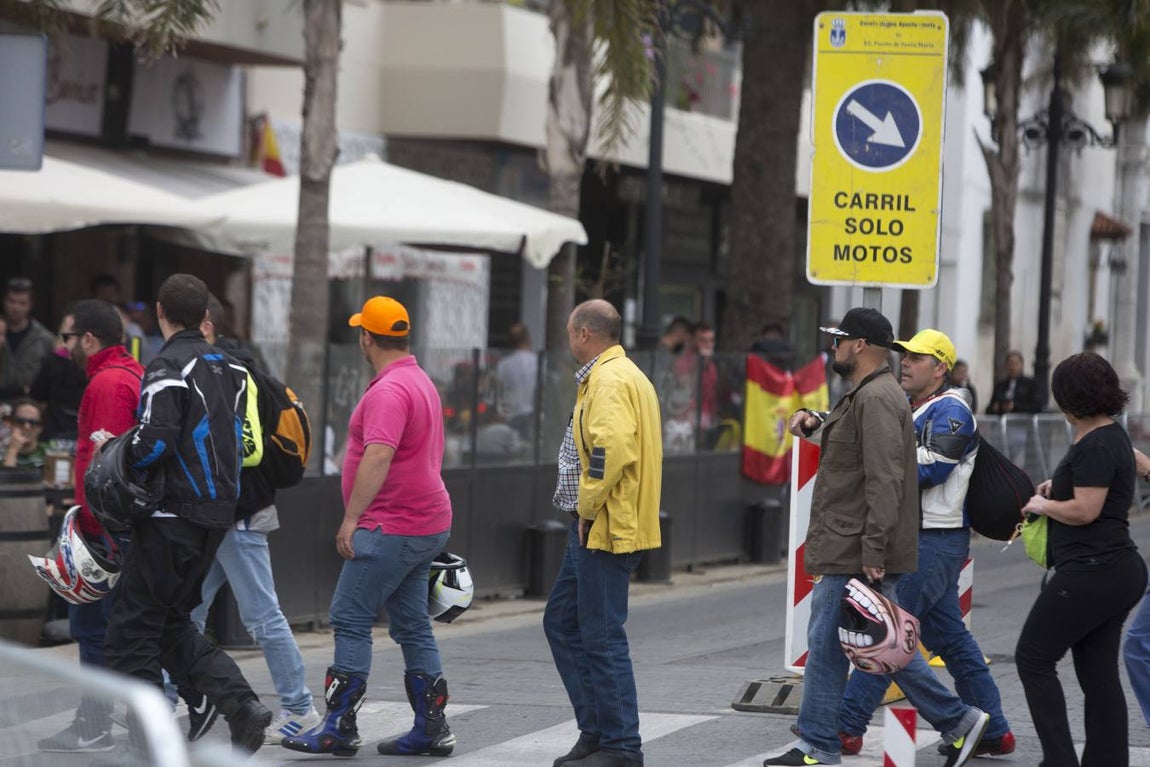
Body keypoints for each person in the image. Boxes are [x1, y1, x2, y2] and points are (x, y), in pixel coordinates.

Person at [767, 308, 988, 767]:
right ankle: (960, 723)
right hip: (850, 542)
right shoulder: (868, 395)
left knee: (847, 645)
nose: (834, 348)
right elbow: (858, 448)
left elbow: (887, 478)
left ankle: (818, 745)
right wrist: (815, 420)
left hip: (858, 547)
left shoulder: (878, 398)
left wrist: (875, 550)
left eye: (839, 340)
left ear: (860, 345)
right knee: (876, 644)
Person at [101, 274, 272, 760]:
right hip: (217, 516)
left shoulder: (167, 365)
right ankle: (241, 705)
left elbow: (155, 441)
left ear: (160, 311)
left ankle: (149, 741)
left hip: (170, 515)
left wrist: (116, 453)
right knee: (171, 620)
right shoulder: (234, 369)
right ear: (205, 317)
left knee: (129, 632)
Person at [283, 296, 456, 758]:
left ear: (366, 338)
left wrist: (352, 518)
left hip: (392, 525)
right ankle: (432, 727)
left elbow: (379, 453)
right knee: (413, 625)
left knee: (350, 616)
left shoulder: (388, 391)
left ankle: (338, 727)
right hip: (425, 522)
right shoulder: (418, 380)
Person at [837, 329, 1013, 757]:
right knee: (950, 639)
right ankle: (993, 731)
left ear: (940, 369)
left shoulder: (953, 409)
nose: (906, 363)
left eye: (917, 358)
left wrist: (877, 460)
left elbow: (934, 467)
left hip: (934, 539)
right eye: (905, 356)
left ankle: (846, 726)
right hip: (927, 538)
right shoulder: (921, 407)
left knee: (886, 635)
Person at [183, 296, 321, 745]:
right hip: (234, 510)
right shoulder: (241, 369)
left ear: (205, 326)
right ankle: (170, 696)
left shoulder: (224, 373)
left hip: (236, 512)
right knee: (188, 609)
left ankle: (300, 708)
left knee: (262, 616)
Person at [543, 299, 662, 767]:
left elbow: (610, 450)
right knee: (564, 623)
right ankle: (597, 732)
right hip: (602, 524)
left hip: (606, 525)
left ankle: (620, 745)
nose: (568, 339)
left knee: (602, 635)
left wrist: (588, 506)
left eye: (570, 332)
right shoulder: (621, 374)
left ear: (584, 334)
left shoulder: (610, 380)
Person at [1018, 352, 1146, 766]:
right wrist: (1061, 484)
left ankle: (1058, 760)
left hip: (1093, 569)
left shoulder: (1095, 441)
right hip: (1115, 570)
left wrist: (1042, 505)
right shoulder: (1109, 435)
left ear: (1068, 398)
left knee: (1033, 658)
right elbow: (1114, 475)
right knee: (1097, 671)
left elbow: (1086, 510)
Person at [36, 298, 144, 754]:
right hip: (118, 530)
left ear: (88, 338)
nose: (63, 347)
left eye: (67, 336)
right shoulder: (131, 375)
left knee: (93, 630)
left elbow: (105, 470)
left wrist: (89, 538)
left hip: (103, 534)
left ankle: (95, 724)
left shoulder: (107, 384)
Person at [30, 310, 88, 443]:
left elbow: (36, 394)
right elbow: (37, 395)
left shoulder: (94, 367)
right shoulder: (53, 360)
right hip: (55, 431)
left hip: (79, 434)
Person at [0, 277, 56, 399]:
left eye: (22, 303)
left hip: (29, 405)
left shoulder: (44, 339)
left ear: (30, 305)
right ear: (4, 301)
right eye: (11, 301)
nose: (16, 307)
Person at [495, 322, 538, 440]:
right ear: (528, 338)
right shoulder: (538, 362)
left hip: (512, 414)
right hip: (532, 414)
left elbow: (499, 391)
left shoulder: (504, 364)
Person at [2, 398, 47, 469]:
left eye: (33, 422)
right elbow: (5, 479)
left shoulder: (49, 453)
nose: (26, 427)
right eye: (20, 421)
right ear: (11, 424)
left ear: (40, 428)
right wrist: (12, 451)